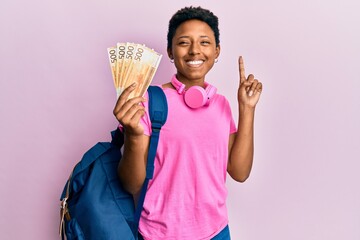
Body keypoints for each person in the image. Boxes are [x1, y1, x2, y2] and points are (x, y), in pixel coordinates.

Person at [113, 6, 263, 240]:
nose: (195, 51)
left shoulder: (221, 104)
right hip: (157, 234)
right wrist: (132, 135)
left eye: (204, 42)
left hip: (216, 232)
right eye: (184, 42)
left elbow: (240, 172)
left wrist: (247, 108)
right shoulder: (148, 102)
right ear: (170, 52)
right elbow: (131, 185)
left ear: (217, 51)